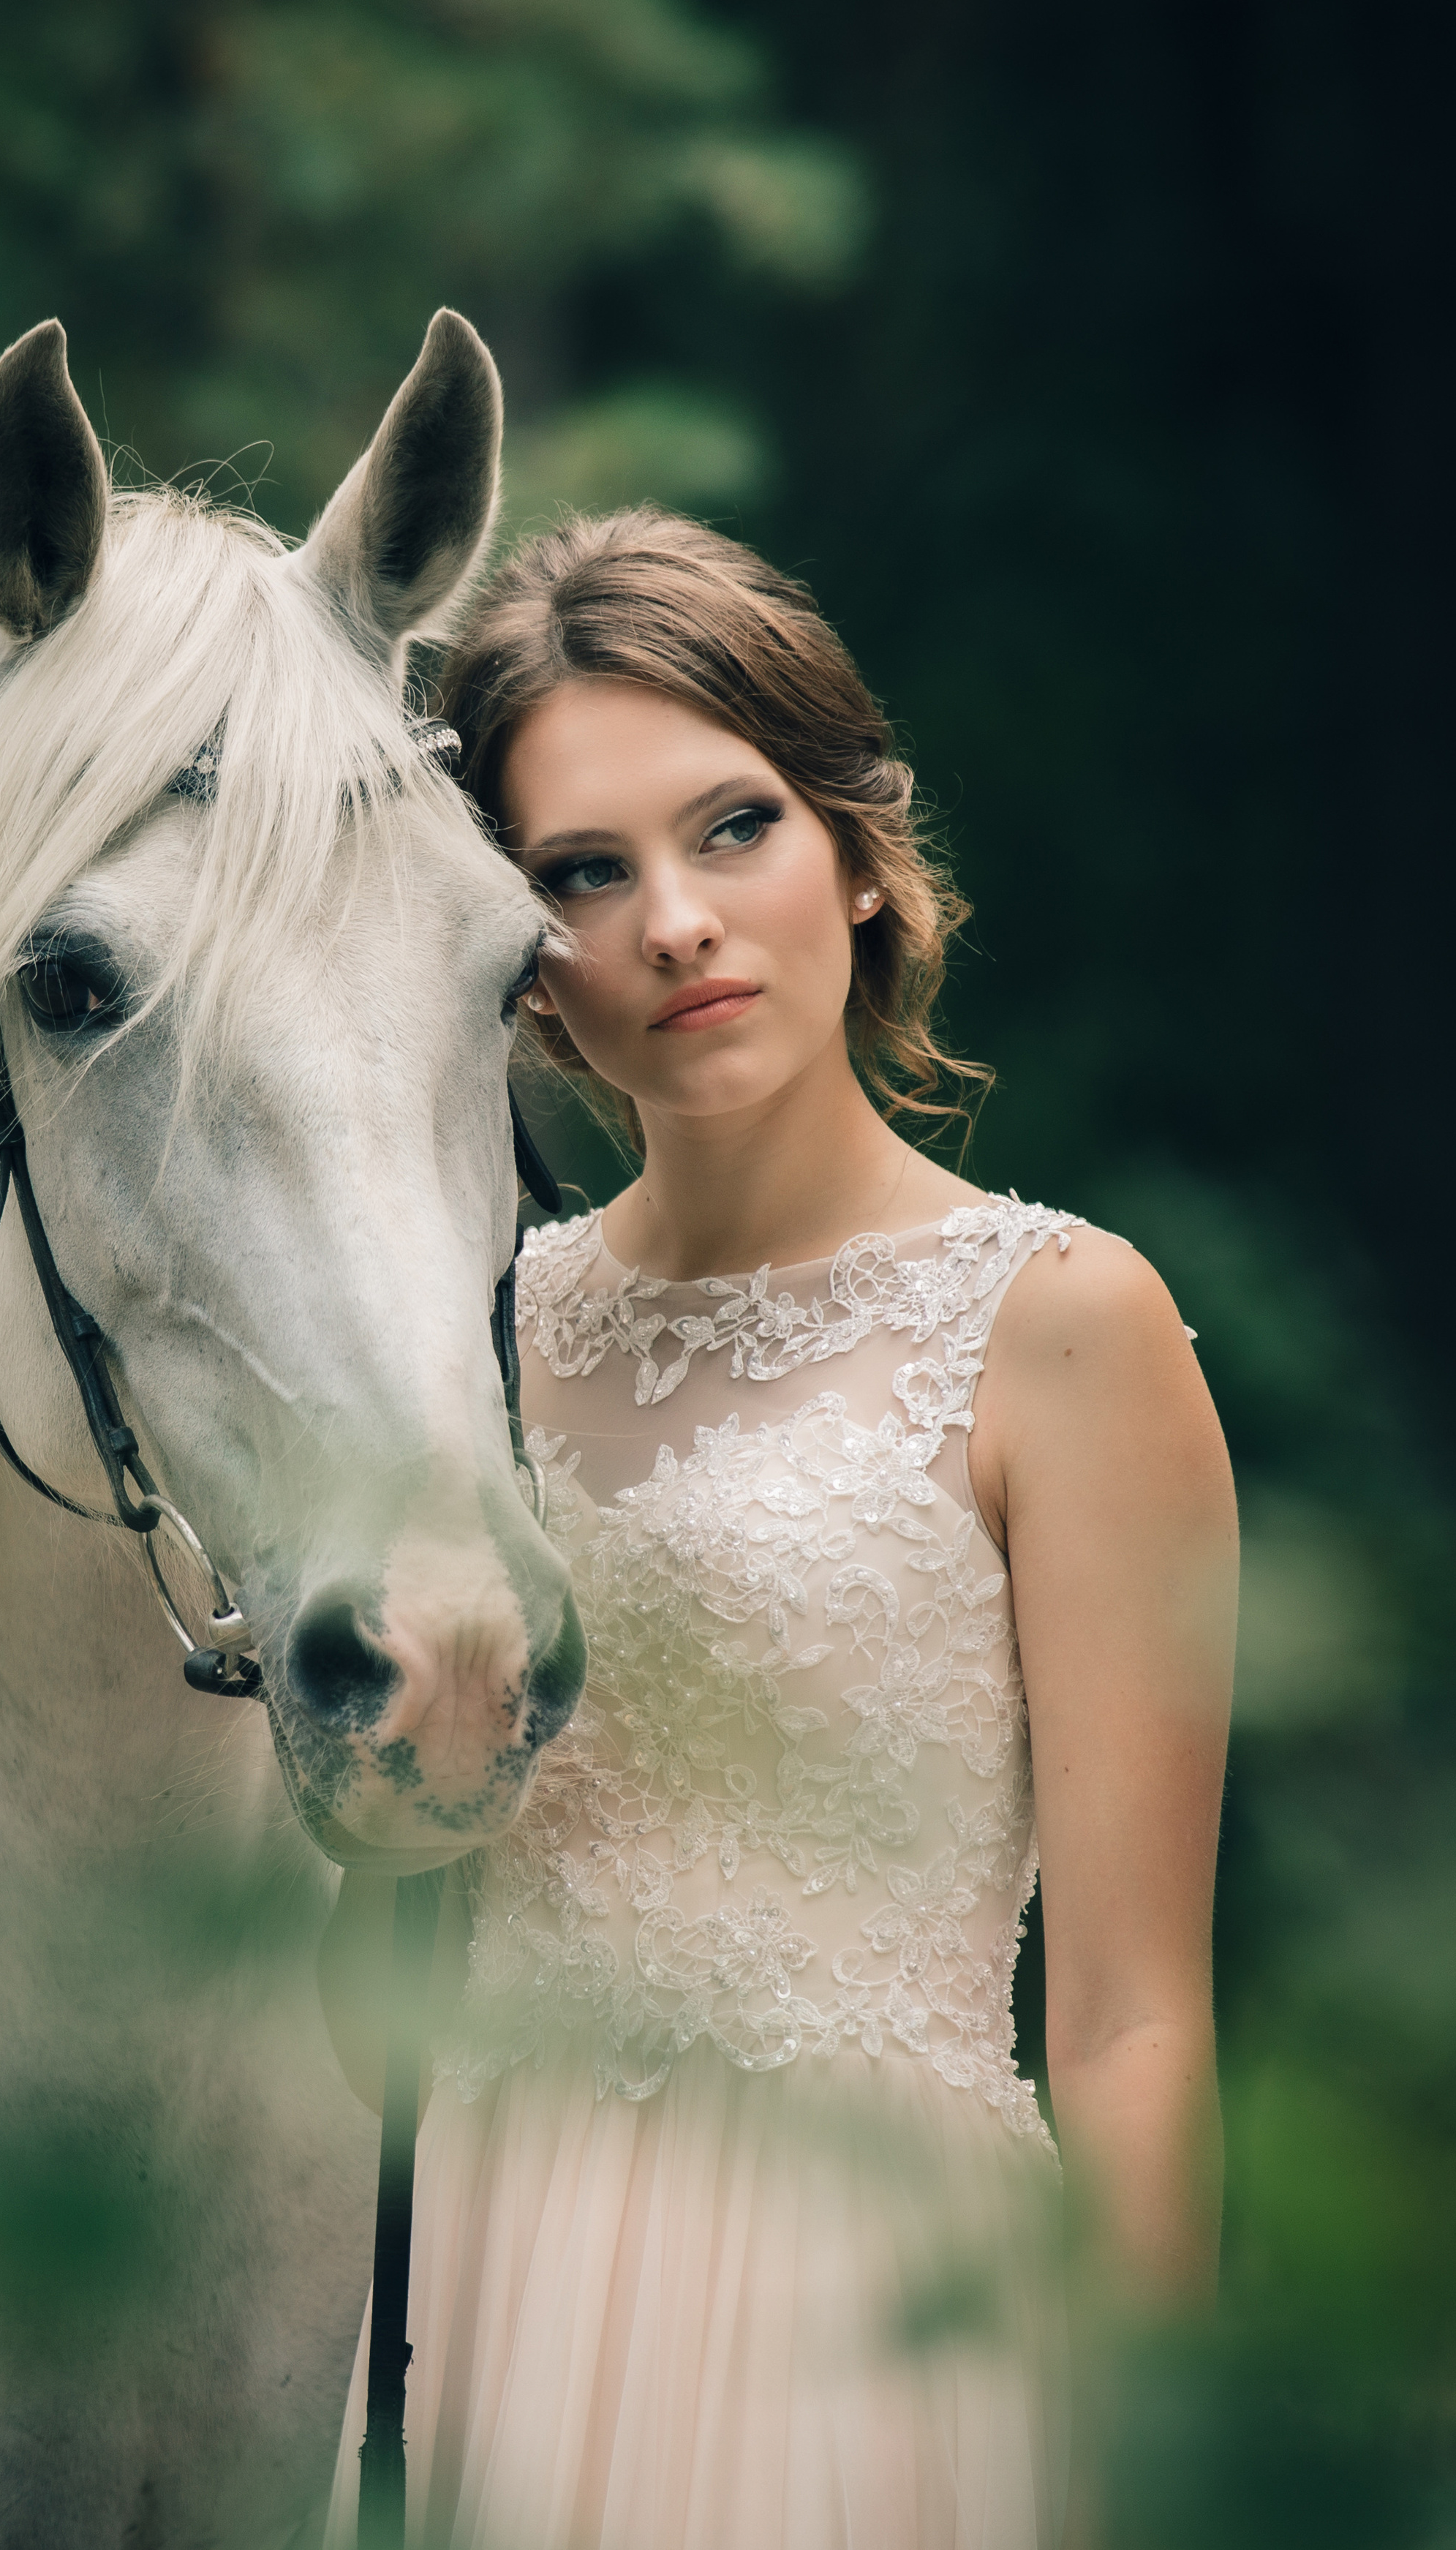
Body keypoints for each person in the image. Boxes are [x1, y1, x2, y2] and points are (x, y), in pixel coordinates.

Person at [320, 510, 1236, 2550]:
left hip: (869, 2336)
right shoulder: (471, 1338)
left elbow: (1134, 2019)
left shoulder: (1065, 1328)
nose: (675, 922)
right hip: (489, 2299)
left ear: (856, 849)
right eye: (585, 871)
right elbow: (357, 1985)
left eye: (732, 827)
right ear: (526, 958)